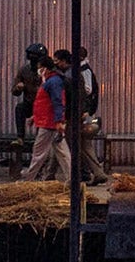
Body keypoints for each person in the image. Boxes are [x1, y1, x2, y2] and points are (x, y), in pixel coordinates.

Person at [25, 51, 71, 182]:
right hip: (51, 122)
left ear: (45, 68)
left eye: (40, 67)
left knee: (38, 153)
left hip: (48, 124)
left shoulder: (53, 82)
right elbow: (47, 103)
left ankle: (28, 179)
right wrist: (35, 117)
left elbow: (57, 102)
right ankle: (71, 179)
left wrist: (58, 120)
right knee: (63, 153)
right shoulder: (52, 81)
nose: (38, 70)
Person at [72, 46, 107, 184]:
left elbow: (87, 90)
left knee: (78, 142)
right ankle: (91, 172)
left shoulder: (84, 70)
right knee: (82, 144)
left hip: (83, 112)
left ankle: (92, 172)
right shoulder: (82, 69)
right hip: (84, 111)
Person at [13, 44, 47, 143]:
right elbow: (15, 92)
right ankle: (20, 137)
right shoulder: (24, 70)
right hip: (30, 103)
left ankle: (39, 138)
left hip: (44, 105)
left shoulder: (47, 71)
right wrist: (18, 88)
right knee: (20, 108)